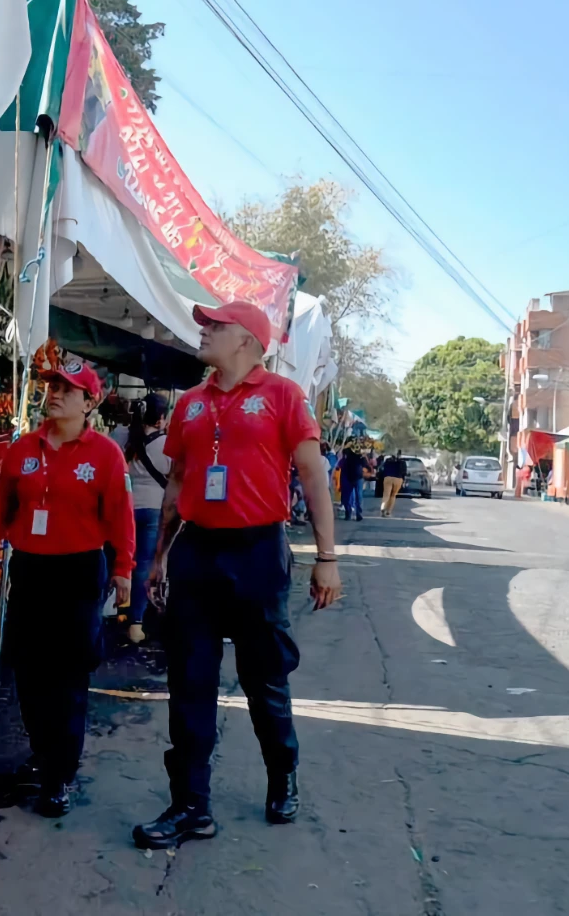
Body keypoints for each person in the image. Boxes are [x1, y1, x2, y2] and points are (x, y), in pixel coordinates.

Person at [132, 301, 341, 850]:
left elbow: (313, 474)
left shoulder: (283, 395)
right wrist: (160, 556)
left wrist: (327, 557)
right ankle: (190, 806)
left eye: (215, 326)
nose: (203, 332)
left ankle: (283, 774)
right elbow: (178, 479)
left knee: (263, 677)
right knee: (189, 680)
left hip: (257, 551)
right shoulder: (191, 403)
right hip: (197, 550)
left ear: (247, 339)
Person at [0, 359, 134, 818]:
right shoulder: (23, 449)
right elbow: (0, 511)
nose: (57, 394)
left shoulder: (105, 454)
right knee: (29, 673)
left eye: (69, 389)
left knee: (68, 676)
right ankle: (44, 751)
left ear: (89, 402)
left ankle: (58, 774)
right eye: (53, 386)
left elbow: (120, 516)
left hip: (79, 572)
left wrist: (124, 568)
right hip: (30, 570)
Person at [118, 393, 171, 644]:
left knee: (117, 561)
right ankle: (135, 623)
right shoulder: (167, 444)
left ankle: (103, 611)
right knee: (143, 564)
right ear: (160, 419)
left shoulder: (121, 436)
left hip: (123, 507)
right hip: (152, 508)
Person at [338, 444, 366, 521]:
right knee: (349, 497)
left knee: (356, 496)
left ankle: (356, 514)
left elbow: (364, 464)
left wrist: (363, 455)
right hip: (349, 476)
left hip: (355, 477)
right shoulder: (347, 453)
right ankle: (350, 513)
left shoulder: (360, 456)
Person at [380, 450, 407, 517]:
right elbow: (404, 472)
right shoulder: (402, 462)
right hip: (398, 479)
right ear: (400, 454)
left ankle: (383, 507)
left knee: (386, 494)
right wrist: (404, 480)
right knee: (393, 495)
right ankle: (388, 512)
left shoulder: (388, 461)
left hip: (388, 478)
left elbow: (383, 469)